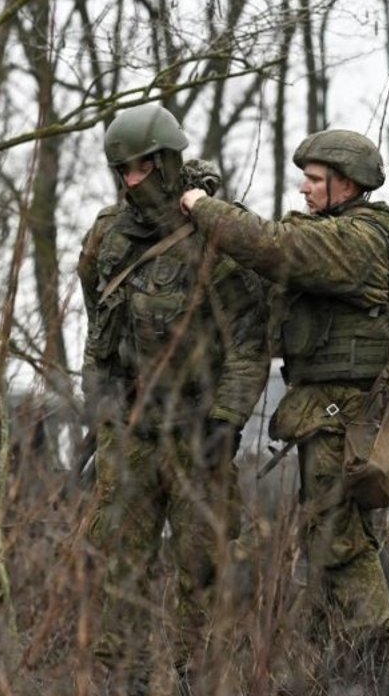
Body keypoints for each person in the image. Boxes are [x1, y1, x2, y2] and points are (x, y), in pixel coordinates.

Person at [180, 129, 389, 694]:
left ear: (347, 184)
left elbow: (275, 248)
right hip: (328, 411)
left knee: (339, 539)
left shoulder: (358, 240)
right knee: (332, 535)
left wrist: (201, 206)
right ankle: (345, 661)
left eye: (315, 180)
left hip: (344, 413)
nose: (305, 190)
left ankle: (369, 666)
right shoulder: (340, 232)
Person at [77, 104, 270, 695]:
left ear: (165, 162)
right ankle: (122, 681)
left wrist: (227, 422)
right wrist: (100, 411)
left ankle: (196, 680)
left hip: (196, 428)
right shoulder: (108, 236)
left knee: (203, 567)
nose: (130, 180)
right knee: (116, 565)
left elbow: (248, 339)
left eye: (140, 167)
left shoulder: (214, 230)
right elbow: (98, 330)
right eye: (122, 170)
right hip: (130, 429)